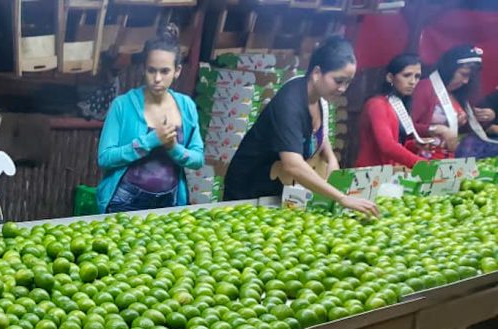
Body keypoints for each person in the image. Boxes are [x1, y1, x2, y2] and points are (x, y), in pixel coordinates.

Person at [224, 36, 378, 217]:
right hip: (249, 190)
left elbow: (318, 133)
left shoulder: (319, 99)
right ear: (317, 73)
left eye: (348, 82)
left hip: (277, 191)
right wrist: (342, 198)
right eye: (338, 80)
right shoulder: (289, 103)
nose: (343, 88)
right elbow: (293, 165)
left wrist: (330, 158)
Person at [96, 24, 204, 214]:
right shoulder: (123, 105)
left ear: (177, 71)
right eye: (151, 70)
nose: (157, 79)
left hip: (170, 201)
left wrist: (174, 149)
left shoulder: (186, 106)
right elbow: (105, 158)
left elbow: (198, 159)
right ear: (143, 69)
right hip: (125, 201)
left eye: (164, 71)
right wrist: (148, 142)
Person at [411, 45, 496, 158]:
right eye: (463, 74)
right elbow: (406, 128)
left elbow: (462, 131)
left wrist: (484, 119)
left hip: (453, 155)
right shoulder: (425, 88)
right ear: (449, 70)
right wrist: (435, 129)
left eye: (469, 77)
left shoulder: (459, 94)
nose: (466, 81)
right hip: (425, 157)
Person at [356, 54, 432, 168]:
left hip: (387, 172)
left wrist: (414, 145)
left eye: (417, 76)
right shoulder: (377, 104)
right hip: (370, 173)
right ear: (390, 77)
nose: (413, 81)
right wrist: (421, 164)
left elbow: (396, 143)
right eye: (407, 75)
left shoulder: (398, 104)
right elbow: (387, 145)